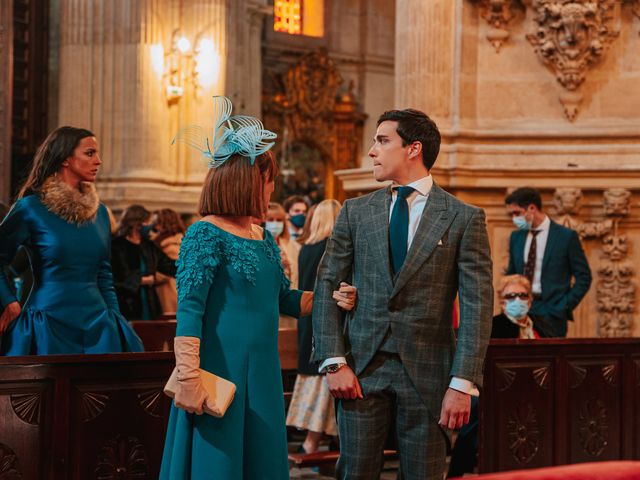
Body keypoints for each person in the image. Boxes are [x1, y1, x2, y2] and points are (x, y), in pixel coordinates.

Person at [160, 96, 355, 480]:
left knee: (262, 461)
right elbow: (190, 309)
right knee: (219, 464)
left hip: (263, 369)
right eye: (269, 182)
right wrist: (187, 374)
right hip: (219, 369)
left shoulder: (263, 237)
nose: (271, 192)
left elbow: (283, 297)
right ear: (248, 182)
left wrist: (329, 300)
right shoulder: (204, 233)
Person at [312, 108, 493, 479]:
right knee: (355, 473)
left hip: (429, 375)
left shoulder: (463, 217)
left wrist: (462, 384)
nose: (371, 152)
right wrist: (334, 361)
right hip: (361, 369)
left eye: (382, 141)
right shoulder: (356, 212)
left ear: (413, 148)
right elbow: (327, 285)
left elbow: (477, 307)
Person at [0, 126, 143, 354]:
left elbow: (104, 274)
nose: (99, 160)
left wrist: (114, 317)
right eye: (90, 153)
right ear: (65, 158)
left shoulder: (101, 214)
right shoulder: (30, 208)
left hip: (99, 327)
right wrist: (9, 301)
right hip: (47, 325)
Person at [447, 274, 544, 477]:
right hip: (492, 388)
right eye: (511, 296)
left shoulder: (542, 326)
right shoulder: (494, 326)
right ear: (501, 302)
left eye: (522, 295)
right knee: (478, 409)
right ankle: (459, 471)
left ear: (530, 300)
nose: (517, 300)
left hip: (535, 390)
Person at [286, 199, 346, 454]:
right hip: (330, 316)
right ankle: (315, 440)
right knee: (325, 378)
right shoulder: (332, 249)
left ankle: (320, 439)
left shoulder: (306, 248)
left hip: (308, 317)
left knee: (314, 375)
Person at [505, 187, 591, 337]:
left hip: (553, 312)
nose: (514, 219)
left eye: (517, 213)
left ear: (532, 208)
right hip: (520, 310)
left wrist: (564, 306)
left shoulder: (566, 237)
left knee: (550, 358)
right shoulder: (516, 237)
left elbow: (584, 277)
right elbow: (511, 275)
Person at [111, 205, 177, 320]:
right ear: (137, 223)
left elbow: (169, 265)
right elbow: (112, 278)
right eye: (148, 222)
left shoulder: (148, 246)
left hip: (149, 303)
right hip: (126, 305)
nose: (151, 226)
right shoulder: (116, 246)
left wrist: (191, 266)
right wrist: (139, 280)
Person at [150, 208, 186, 314]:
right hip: (164, 290)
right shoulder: (162, 241)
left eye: (156, 223)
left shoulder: (173, 245)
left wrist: (148, 276)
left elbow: (174, 270)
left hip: (170, 292)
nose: (154, 227)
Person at [266, 201, 300, 288]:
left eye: (279, 220)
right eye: (270, 220)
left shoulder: (294, 246)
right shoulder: (257, 243)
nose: (275, 224)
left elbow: (295, 276)